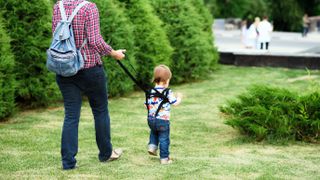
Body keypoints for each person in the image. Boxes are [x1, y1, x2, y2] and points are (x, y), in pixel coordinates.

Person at [52, 0, 126, 170]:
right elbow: (94, 40)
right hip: (90, 69)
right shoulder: (89, 7)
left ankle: (68, 163)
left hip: (65, 68)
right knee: (100, 111)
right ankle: (106, 154)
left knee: (71, 116)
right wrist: (114, 53)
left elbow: (56, 36)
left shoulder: (58, 6)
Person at [146, 65, 182, 165]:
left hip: (151, 119)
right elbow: (174, 103)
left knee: (154, 132)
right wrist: (179, 97)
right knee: (164, 138)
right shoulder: (167, 92)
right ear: (166, 80)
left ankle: (152, 147)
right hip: (163, 120)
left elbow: (147, 105)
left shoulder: (150, 91)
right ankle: (164, 159)